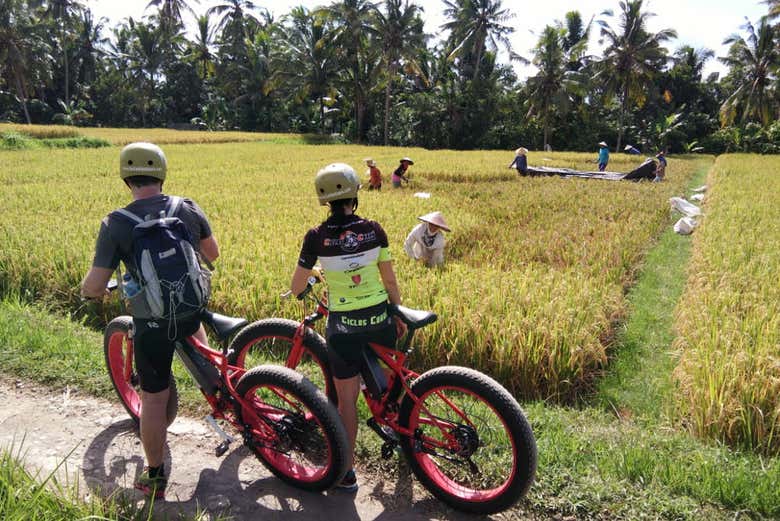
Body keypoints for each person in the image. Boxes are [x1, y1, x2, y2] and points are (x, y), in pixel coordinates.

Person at [80, 142, 219, 499]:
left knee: (154, 399)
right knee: (200, 345)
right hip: (192, 306)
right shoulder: (185, 206)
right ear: (162, 172)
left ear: (126, 177)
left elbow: (95, 284)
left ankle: (155, 476)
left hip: (152, 323)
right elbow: (212, 253)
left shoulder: (116, 223)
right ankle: (222, 399)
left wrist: (90, 291)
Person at [290, 163, 406, 492]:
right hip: (380, 320)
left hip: (344, 329)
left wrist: (313, 277)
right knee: (388, 380)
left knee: (346, 402)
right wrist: (396, 311)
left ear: (325, 199)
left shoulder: (316, 236)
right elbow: (389, 279)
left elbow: (298, 285)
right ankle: (398, 424)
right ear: (354, 194)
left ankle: (346, 471)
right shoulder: (374, 229)